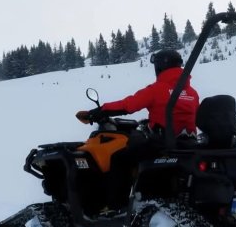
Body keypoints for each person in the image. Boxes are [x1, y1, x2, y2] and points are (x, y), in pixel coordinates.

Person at [75, 49, 200, 212]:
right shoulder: (192, 93)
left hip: (162, 144)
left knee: (119, 157)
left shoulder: (157, 88)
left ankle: (116, 207)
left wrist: (100, 111)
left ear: (160, 67)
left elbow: (128, 105)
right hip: (188, 143)